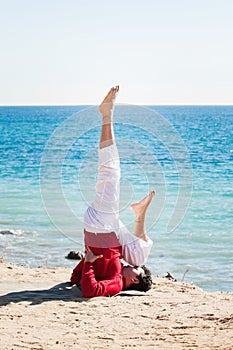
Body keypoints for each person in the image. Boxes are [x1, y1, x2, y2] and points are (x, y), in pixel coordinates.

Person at [71, 86, 155, 298]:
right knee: (139, 256)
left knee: (110, 171)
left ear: (135, 279)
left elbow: (90, 291)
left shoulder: (117, 283)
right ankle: (139, 215)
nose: (133, 266)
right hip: (101, 229)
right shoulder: (119, 268)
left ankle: (106, 115)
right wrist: (86, 262)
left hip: (102, 228)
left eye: (138, 271)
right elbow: (75, 278)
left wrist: (89, 262)